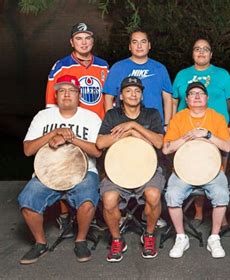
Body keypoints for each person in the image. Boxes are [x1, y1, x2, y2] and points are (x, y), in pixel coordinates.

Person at [18, 75, 102, 264]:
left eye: (71, 90)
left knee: (88, 200)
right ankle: (40, 243)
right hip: (48, 172)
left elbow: (97, 152)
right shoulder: (43, 116)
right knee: (27, 199)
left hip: (84, 171)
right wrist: (53, 133)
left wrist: (70, 138)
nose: (66, 94)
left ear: (78, 95)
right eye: (62, 90)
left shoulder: (90, 118)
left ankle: (80, 240)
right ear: (55, 95)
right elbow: (28, 149)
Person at [45, 23, 108, 234]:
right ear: (72, 42)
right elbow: (51, 102)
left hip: (97, 125)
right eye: (79, 38)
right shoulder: (61, 65)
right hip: (71, 125)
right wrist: (58, 128)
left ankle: (94, 213)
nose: (83, 42)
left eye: (87, 38)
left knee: (99, 170)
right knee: (66, 165)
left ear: (92, 41)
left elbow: (110, 98)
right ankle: (65, 215)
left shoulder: (103, 65)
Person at [96, 77, 166, 262]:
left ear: (141, 95)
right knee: (109, 200)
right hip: (117, 170)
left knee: (153, 195)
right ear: (121, 95)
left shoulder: (151, 114)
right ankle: (117, 239)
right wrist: (129, 133)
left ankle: (149, 235)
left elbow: (159, 142)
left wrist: (134, 126)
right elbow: (101, 142)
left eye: (137, 91)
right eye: (128, 91)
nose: (133, 94)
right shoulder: (112, 115)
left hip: (148, 169)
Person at [172, 38, 230, 227]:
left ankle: (221, 209)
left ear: (211, 54)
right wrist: (170, 124)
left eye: (205, 49)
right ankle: (199, 211)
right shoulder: (183, 75)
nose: (201, 52)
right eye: (197, 49)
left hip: (216, 130)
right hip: (188, 130)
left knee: (219, 170)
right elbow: (174, 101)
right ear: (192, 53)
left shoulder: (222, 74)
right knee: (193, 167)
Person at [163, 82, 230, 259]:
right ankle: (181, 237)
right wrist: (188, 136)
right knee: (172, 195)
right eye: (192, 93)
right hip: (183, 171)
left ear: (207, 98)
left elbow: (227, 146)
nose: (197, 96)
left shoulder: (217, 118)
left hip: (212, 170)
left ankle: (214, 237)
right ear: (187, 99)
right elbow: (166, 149)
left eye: (201, 93)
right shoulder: (178, 118)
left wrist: (207, 134)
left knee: (222, 194)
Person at [103, 30, 173, 127]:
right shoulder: (117, 68)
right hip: (123, 127)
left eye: (143, 42)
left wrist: (166, 124)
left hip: (153, 127)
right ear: (130, 46)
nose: (139, 46)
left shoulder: (160, 68)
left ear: (149, 45)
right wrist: (112, 124)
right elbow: (108, 98)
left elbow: (167, 99)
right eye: (135, 42)